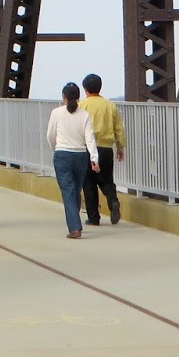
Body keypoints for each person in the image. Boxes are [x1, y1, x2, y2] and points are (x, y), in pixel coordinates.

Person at [45, 82, 98, 239]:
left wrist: (55, 148)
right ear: (78, 97)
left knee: (68, 191)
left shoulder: (56, 113)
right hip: (80, 156)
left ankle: (75, 228)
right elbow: (90, 138)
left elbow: (50, 135)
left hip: (62, 154)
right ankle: (76, 222)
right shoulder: (84, 115)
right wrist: (94, 158)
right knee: (75, 190)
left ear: (64, 97)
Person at [79, 73, 125, 225]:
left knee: (89, 183)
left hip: (87, 149)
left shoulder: (82, 106)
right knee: (106, 180)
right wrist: (120, 146)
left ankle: (94, 218)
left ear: (85, 89)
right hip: (106, 149)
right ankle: (113, 201)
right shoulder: (110, 105)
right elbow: (119, 128)